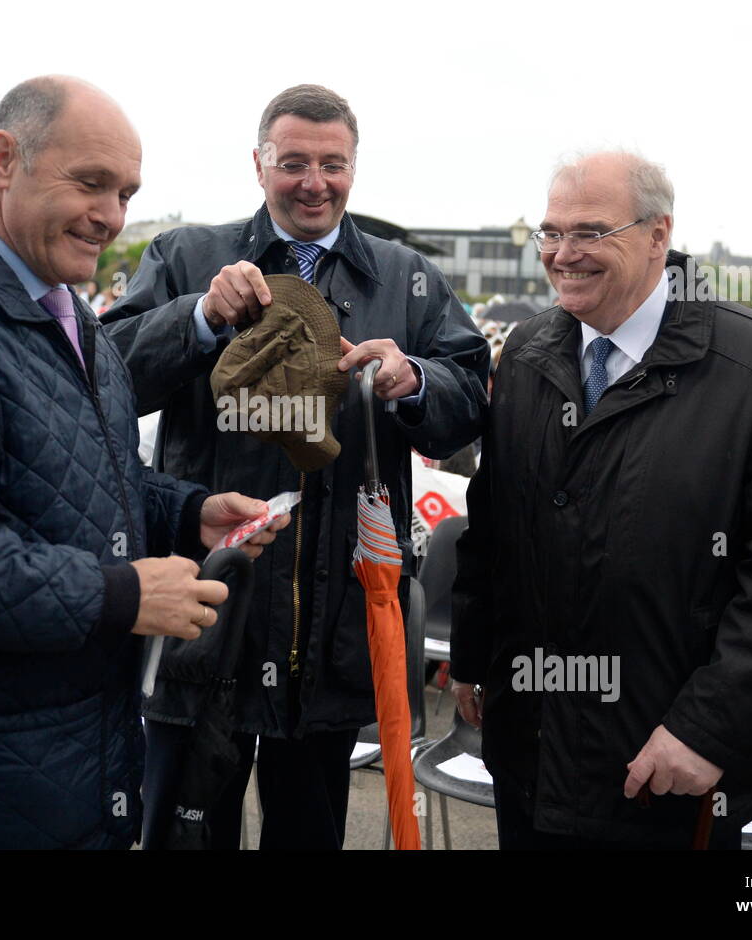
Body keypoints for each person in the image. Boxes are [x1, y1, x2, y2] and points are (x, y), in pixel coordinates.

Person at [0, 75, 287, 850]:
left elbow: (72, 479)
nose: (112, 216)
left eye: (127, 192)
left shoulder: (72, 317)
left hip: (59, 775)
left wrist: (185, 511)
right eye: (91, 183)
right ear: (3, 159)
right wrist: (117, 593)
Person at [101, 83, 490, 849]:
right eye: (294, 163)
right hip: (208, 613)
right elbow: (105, 377)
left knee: (307, 836)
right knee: (181, 833)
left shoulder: (405, 276)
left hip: (333, 629)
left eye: (333, 163)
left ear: (354, 168)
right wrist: (199, 319)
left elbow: (473, 391)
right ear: (259, 164)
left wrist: (414, 378)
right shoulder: (186, 257)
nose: (315, 181)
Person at [450, 151, 752, 850]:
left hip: (665, 774)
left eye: (590, 232)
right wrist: (475, 660)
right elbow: (494, 524)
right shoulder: (530, 351)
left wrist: (705, 728)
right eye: (551, 233)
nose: (563, 254)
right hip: (530, 754)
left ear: (659, 234)